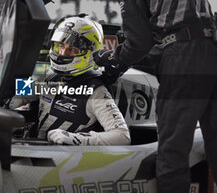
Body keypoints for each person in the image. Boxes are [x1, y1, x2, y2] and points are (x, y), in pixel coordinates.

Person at [95, 0, 217, 193]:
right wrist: (122, 63)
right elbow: (170, 40)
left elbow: (139, 42)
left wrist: (113, 59)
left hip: (184, 61)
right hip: (214, 54)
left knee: (172, 151)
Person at [11, 15, 131, 145]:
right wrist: (7, 98)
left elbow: (122, 136)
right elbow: (16, 96)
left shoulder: (97, 91)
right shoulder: (48, 76)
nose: (62, 53)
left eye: (72, 49)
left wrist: (75, 138)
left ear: (89, 53)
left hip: (66, 159)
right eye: (61, 46)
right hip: (34, 149)